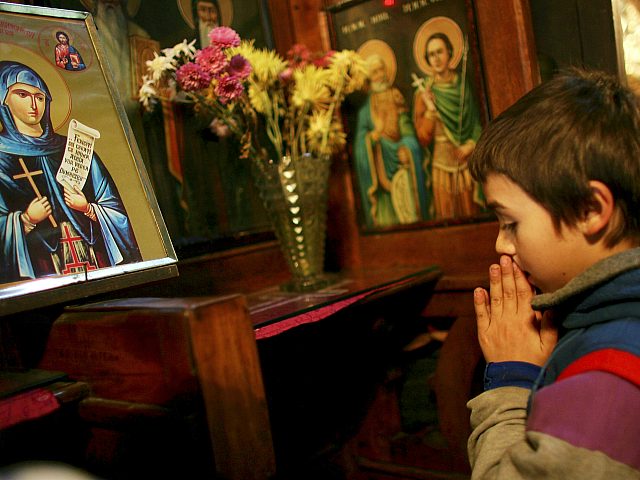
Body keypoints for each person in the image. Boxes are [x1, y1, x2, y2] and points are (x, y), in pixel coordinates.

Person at [467, 68, 640, 478]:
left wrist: (513, 378)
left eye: (510, 222)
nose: (502, 244)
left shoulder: (609, 381)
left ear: (590, 209)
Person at [0, 61, 141, 283]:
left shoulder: (75, 146)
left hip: (92, 258)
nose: (33, 104)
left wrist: (87, 208)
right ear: (4, 100)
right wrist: (26, 220)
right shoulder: (1, 158)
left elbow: (115, 210)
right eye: (22, 94)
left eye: (39, 97)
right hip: (40, 266)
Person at [354, 55, 431, 227]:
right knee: (387, 219)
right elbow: (359, 145)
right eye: (375, 72)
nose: (380, 74)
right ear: (369, 79)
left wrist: (408, 145)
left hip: (401, 164)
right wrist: (373, 137)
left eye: (382, 69)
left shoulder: (396, 96)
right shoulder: (365, 111)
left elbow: (406, 125)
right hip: (380, 169)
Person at [413, 32, 483, 220]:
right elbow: (422, 137)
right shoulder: (424, 92)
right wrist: (430, 110)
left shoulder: (462, 84)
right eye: (431, 55)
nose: (436, 59)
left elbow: (477, 121)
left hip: (465, 161)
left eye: (439, 52)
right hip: (441, 165)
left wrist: (471, 144)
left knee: (471, 215)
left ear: (450, 53)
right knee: (446, 216)